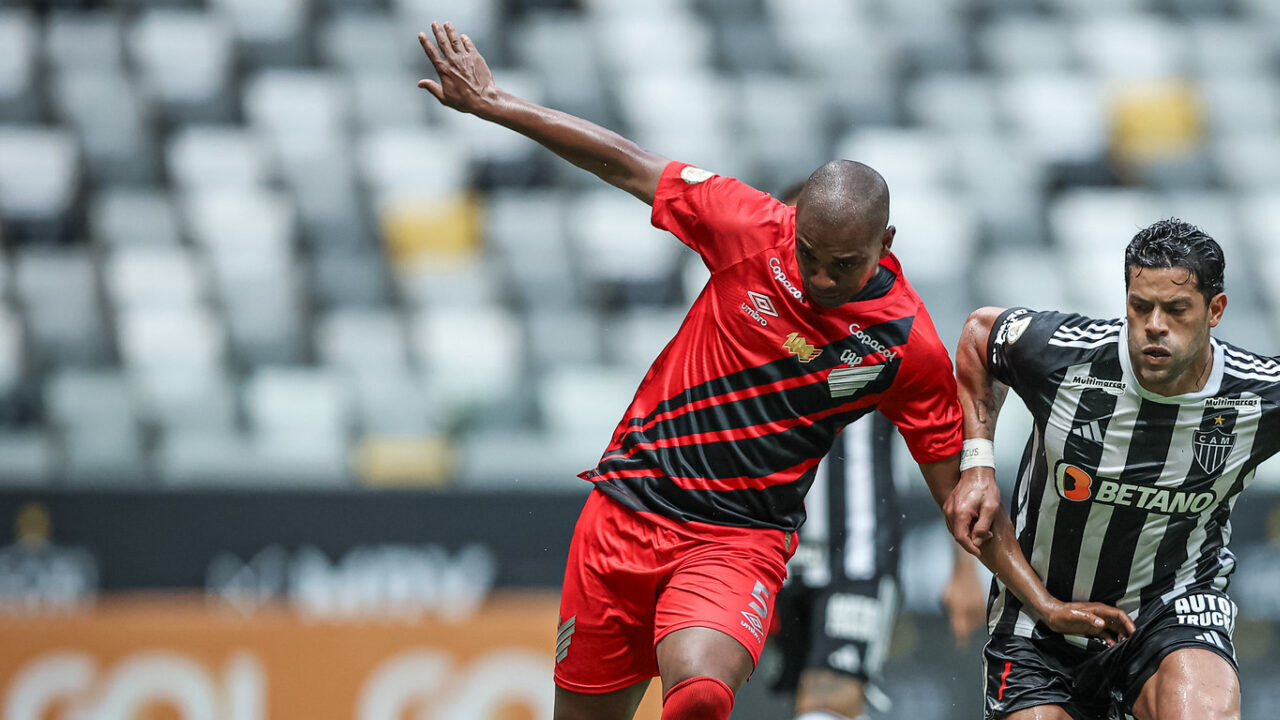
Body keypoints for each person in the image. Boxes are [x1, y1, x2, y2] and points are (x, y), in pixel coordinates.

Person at [416, 22, 1131, 720]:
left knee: (699, 694)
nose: (819, 275)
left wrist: (1037, 598)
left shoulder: (904, 345)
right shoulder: (747, 225)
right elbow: (626, 163)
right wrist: (495, 104)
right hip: (624, 514)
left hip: (736, 541)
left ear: (886, 242)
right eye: (809, 253)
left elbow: (960, 500)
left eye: (842, 264)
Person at [954, 218, 1280, 719]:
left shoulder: (1256, 396)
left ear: (1216, 310)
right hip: (1038, 622)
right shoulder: (1066, 357)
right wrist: (978, 464)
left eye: (1176, 309)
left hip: (1172, 609)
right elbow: (980, 334)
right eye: (1139, 306)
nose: (1154, 324)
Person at [767, 187, 987, 720]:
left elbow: (941, 445)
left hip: (856, 554)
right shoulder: (752, 319)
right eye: (808, 252)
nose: (822, 272)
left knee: (826, 703)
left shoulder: (893, 332)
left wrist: (965, 569)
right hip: (767, 554)